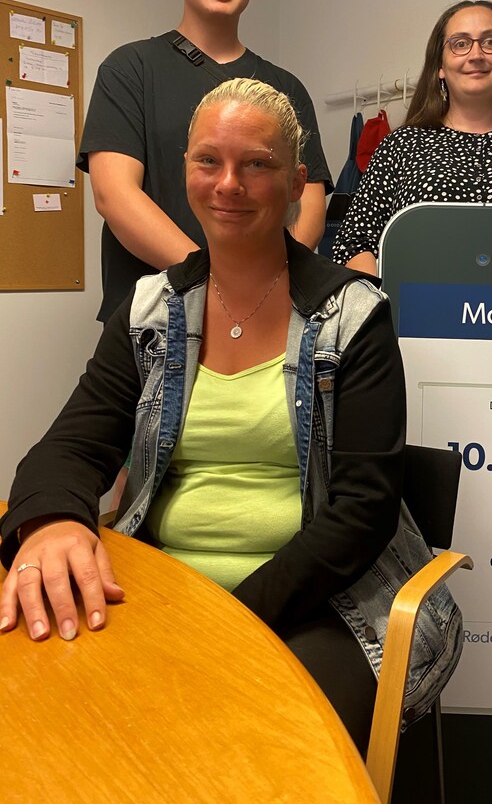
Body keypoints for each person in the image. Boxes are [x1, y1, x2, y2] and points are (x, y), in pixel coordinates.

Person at [0, 79, 461, 756]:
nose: (228, 184)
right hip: (160, 584)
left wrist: (225, 619)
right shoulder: (149, 310)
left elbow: (362, 512)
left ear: (297, 182)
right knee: (58, 722)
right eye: (208, 161)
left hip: (318, 602)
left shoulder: (355, 315)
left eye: (256, 164)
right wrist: (50, 522)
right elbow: (72, 444)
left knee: (252, 747)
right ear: (185, 169)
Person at [79, 0, 333, 323]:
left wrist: (262, 282)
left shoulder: (287, 89)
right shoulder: (130, 69)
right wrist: (215, 281)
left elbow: (309, 203)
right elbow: (115, 195)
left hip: (262, 315)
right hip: (152, 319)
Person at [332, 0, 492, 273]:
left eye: (491, 42)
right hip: (418, 301)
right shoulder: (401, 145)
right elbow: (353, 244)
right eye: (460, 43)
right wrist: (384, 297)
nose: (476, 54)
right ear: (440, 66)